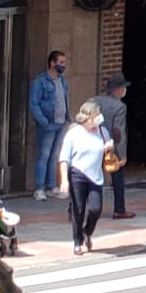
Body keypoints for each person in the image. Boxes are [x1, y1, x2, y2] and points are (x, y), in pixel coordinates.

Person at [57, 100, 113, 255]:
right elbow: (64, 159)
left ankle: (87, 231)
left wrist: (109, 148)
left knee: (95, 209)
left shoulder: (103, 132)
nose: (99, 117)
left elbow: (107, 149)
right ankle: (77, 241)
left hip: (96, 175)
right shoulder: (73, 134)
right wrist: (64, 181)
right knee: (78, 209)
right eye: (96, 114)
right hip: (78, 174)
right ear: (88, 117)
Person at [29, 51, 70, 202]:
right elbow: (34, 104)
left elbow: (64, 100)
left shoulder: (63, 81)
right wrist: (43, 121)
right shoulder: (40, 82)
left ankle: (51, 186)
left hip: (60, 123)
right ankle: (39, 188)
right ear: (52, 63)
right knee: (44, 155)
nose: (63, 65)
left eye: (64, 62)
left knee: (54, 156)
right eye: (61, 62)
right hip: (48, 124)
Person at [91, 73, 132, 219]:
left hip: (91, 144)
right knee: (118, 178)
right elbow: (118, 131)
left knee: (87, 178)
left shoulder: (93, 100)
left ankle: (74, 209)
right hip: (110, 146)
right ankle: (119, 209)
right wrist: (122, 156)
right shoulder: (120, 106)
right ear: (119, 89)